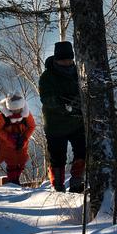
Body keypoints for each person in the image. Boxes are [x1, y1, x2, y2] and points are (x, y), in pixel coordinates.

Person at [38, 41, 85, 193]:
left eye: (69, 59)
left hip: (77, 122)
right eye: (64, 59)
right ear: (57, 59)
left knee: (82, 151)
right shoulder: (47, 76)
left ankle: (77, 183)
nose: (67, 62)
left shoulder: (79, 72)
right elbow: (47, 99)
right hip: (55, 124)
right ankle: (57, 187)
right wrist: (67, 105)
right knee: (57, 158)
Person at [0, 92, 36, 186]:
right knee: (11, 164)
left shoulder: (26, 115)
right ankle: (13, 183)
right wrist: (9, 138)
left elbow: (32, 126)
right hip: (6, 144)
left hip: (22, 143)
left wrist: (24, 138)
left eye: (18, 109)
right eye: (14, 110)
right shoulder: (3, 116)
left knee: (21, 163)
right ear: (9, 108)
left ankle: (15, 180)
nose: (16, 112)